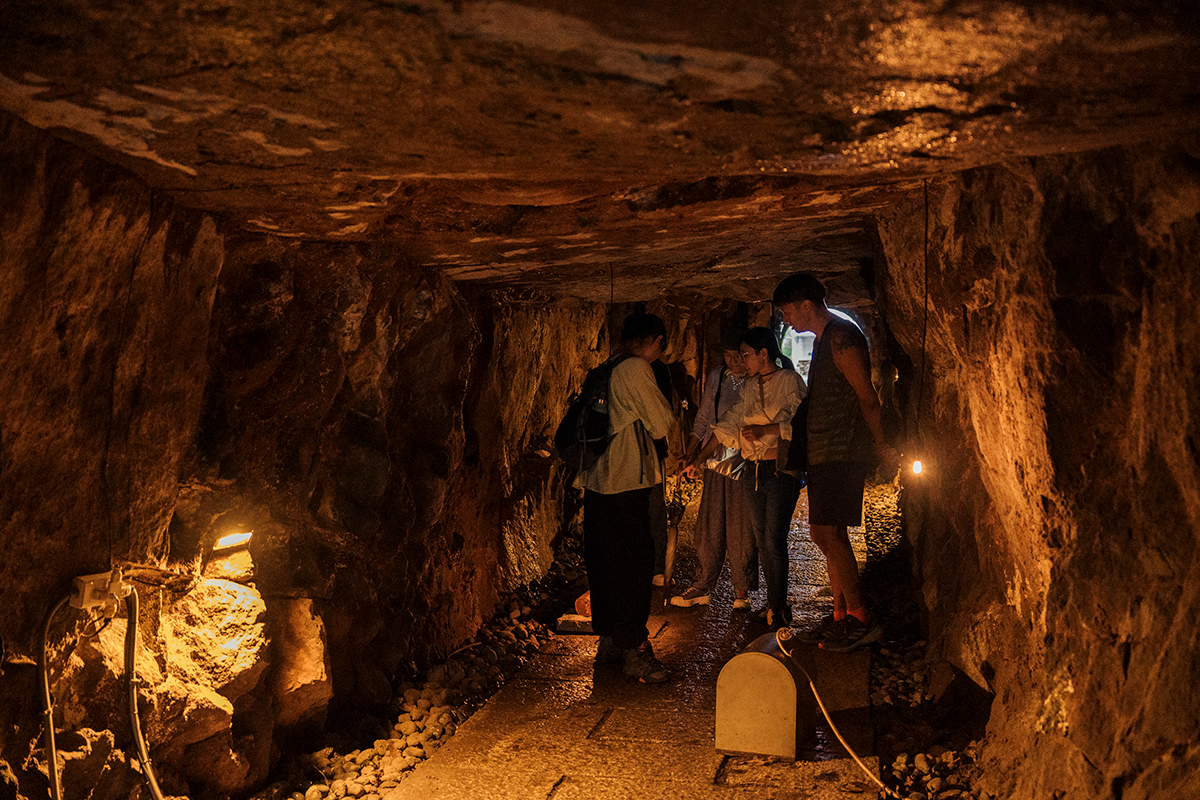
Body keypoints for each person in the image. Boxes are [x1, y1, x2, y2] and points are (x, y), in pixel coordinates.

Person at [773, 272, 896, 652]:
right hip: (826, 452)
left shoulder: (842, 337)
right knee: (825, 534)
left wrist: (881, 444)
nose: (785, 319)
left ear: (806, 305)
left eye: (787, 311)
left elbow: (866, 396)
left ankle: (860, 617)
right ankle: (840, 615)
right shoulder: (827, 340)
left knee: (828, 534)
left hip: (841, 450)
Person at [576, 306, 677, 683]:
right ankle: (635, 649)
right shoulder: (636, 368)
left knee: (604, 562)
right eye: (659, 348)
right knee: (634, 565)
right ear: (654, 343)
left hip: (597, 480)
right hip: (626, 481)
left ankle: (610, 642)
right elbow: (662, 422)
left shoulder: (609, 366)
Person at [686, 327, 807, 630]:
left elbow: (798, 421)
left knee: (774, 539)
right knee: (763, 541)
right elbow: (730, 423)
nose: (742, 360)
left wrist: (766, 431)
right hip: (752, 471)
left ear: (764, 353)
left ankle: (779, 607)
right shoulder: (751, 387)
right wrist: (700, 458)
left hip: (779, 470)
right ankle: (772, 603)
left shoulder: (789, 381)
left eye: (746, 354)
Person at [671, 326, 758, 610]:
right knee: (709, 523)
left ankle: (741, 591)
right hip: (714, 457)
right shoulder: (717, 377)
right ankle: (702, 584)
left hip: (745, 459)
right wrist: (691, 451)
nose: (734, 361)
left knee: (740, 525)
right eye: (729, 355)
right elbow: (705, 415)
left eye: (740, 356)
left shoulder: (758, 381)